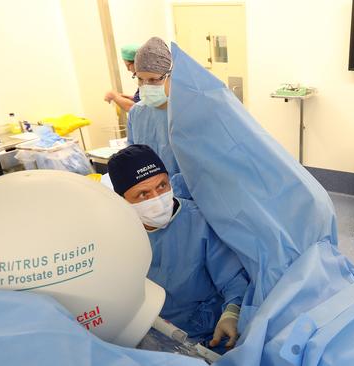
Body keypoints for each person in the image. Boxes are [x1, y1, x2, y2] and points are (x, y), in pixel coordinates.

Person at [108, 144, 248, 350]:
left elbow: (232, 278)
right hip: (149, 335)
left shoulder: (198, 222)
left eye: (162, 185)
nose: (157, 199)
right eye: (143, 194)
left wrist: (232, 313)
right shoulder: (116, 235)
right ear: (122, 200)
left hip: (209, 332)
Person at [126, 37, 179, 177]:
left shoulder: (184, 113)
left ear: (170, 76)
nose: (146, 85)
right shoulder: (136, 113)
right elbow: (133, 156)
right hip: (149, 192)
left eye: (153, 80)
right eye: (140, 79)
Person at [104, 44, 140, 112]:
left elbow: (136, 109)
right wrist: (130, 98)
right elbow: (142, 101)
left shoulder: (149, 80)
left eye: (128, 65)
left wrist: (114, 96)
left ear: (136, 62)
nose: (128, 69)